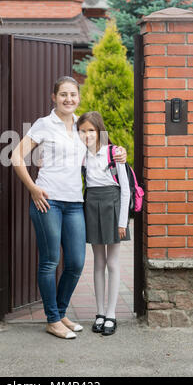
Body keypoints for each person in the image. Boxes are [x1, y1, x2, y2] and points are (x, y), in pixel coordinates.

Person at [11, 77, 127, 340]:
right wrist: (32, 188)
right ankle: (53, 319)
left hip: (76, 204)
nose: (68, 99)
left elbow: (102, 151)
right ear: (54, 97)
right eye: (63, 94)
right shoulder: (44, 124)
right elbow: (16, 156)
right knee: (50, 261)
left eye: (73, 95)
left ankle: (60, 312)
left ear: (79, 98)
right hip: (47, 201)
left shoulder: (80, 126)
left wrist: (121, 154)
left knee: (75, 262)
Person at [77, 111, 130, 336]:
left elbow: (125, 189)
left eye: (91, 130)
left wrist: (123, 221)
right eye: (82, 131)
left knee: (112, 263)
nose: (87, 135)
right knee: (97, 262)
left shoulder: (114, 152)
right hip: (92, 205)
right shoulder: (80, 155)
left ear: (100, 131)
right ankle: (99, 313)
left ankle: (111, 314)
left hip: (113, 205)